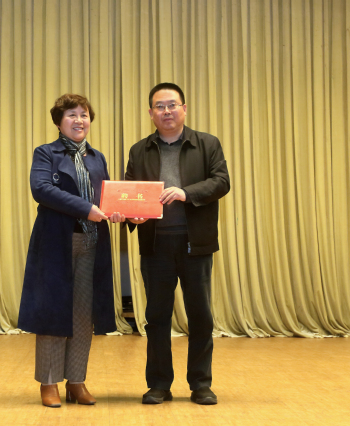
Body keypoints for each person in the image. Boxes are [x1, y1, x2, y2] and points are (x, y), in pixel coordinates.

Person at [125, 83, 230, 405]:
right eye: (160, 106)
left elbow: (221, 181)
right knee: (157, 318)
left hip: (195, 243)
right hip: (155, 246)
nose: (167, 111)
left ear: (184, 108)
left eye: (172, 105)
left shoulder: (207, 144)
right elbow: (129, 192)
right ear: (150, 113)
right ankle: (159, 384)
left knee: (201, 316)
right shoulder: (139, 150)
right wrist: (132, 216)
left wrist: (187, 193)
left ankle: (200, 384)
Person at [18, 93, 125, 408]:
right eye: (72, 115)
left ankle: (76, 381)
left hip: (92, 243)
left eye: (84, 115)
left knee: (83, 314)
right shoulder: (46, 153)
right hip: (56, 243)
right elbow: (42, 189)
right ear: (59, 121)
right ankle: (49, 382)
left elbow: (107, 197)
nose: (79, 120)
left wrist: (119, 211)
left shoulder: (97, 157)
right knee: (53, 311)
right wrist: (86, 208)